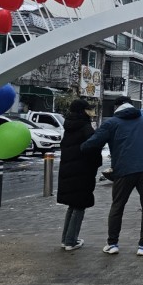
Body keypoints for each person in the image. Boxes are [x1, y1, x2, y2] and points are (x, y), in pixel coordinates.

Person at [81, 96, 143, 256]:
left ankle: (112, 244)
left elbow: (91, 144)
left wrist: (80, 147)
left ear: (116, 107)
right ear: (131, 106)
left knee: (117, 206)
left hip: (123, 171)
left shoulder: (112, 123)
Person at [57, 99, 102, 251]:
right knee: (79, 206)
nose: (90, 112)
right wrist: (96, 163)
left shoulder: (69, 127)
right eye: (88, 109)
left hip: (69, 171)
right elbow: (93, 148)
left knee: (73, 205)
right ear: (82, 111)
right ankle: (71, 241)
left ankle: (65, 239)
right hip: (83, 172)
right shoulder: (85, 127)